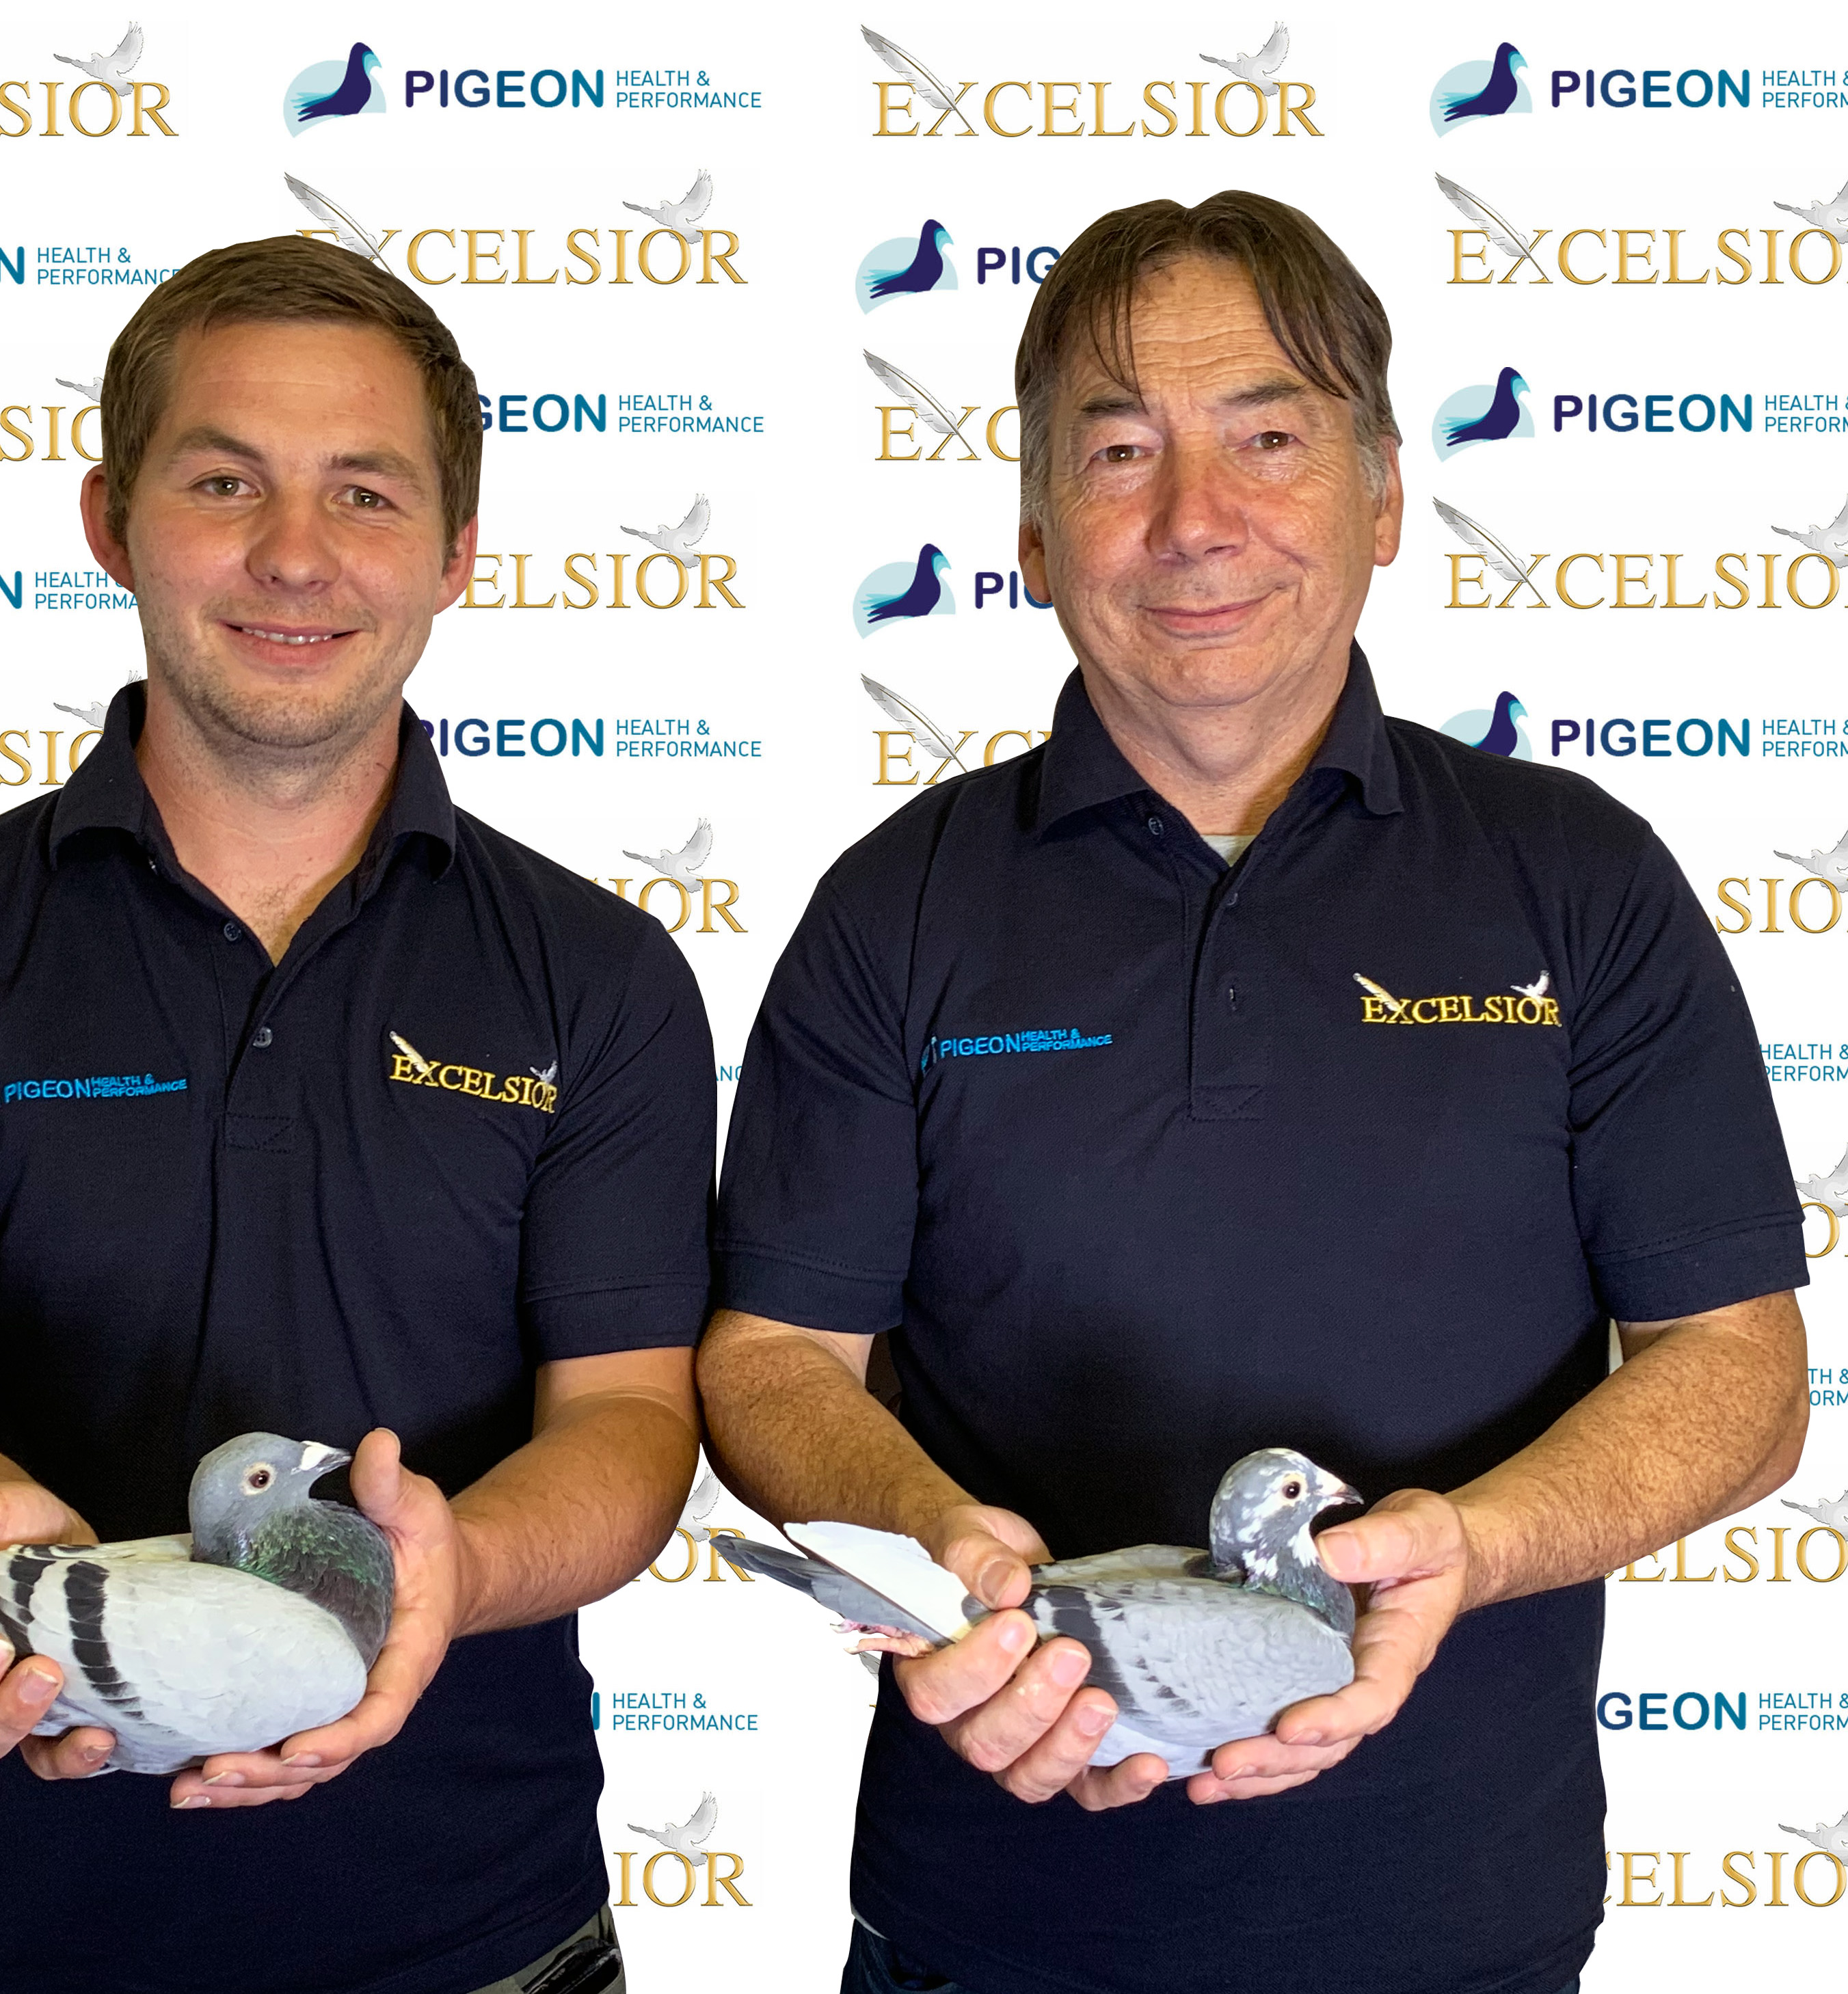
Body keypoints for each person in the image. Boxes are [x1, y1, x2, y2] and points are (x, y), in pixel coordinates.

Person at [697, 191, 1808, 1994]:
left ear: (1384, 498)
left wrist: (1471, 1547)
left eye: (1269, 440)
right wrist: (948, 1549)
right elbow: (771, 1361)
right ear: (1036, 531)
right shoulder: (894, 904)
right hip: (989, 1926)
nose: (1195, 519)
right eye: (1119, 450)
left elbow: (1740, 1372)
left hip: (1460, 1929)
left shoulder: (1578, 879)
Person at [0, 236, 713, 1994]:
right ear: (112, 522)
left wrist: (447, 1569)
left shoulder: (602, 976)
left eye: (365, 491)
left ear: (456, 552)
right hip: (6, 1940)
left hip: (489, 1939)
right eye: (223, 482)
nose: (294, 552)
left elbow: (633, 1421)